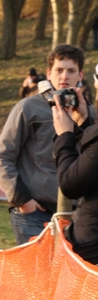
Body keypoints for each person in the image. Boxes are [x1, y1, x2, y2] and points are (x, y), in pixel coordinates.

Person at [0, 44, 96, 246]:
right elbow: (2, 156)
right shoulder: (28, 108)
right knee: (37, 276)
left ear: (80, 75)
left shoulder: (89, 112)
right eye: (59, 70)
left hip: (75, 215)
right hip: (33, 213)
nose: (64, 76)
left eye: (71, 71)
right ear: (49, 73)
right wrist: (21, 200)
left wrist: (84, 122)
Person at [52, 86, 98, 265]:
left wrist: (64, 135)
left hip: (91, 250)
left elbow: (70, 184)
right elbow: (91, 167)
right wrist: (85, 125)